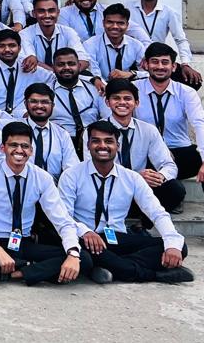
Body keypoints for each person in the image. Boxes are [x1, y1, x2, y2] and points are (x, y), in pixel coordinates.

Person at [58, 121, 193, 284]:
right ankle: (152, 275)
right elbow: (64, 217)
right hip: (86, 238)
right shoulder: (71, 175)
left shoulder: (131, 177)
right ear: (88, 145)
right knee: (83, 249)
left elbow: (157, 212)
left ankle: (109, 267)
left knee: (179, 246)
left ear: (118, 146)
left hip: (116, 237)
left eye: (109, 141)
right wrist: (85, 231)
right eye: (96, 141)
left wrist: (172, 244)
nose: (102, 146)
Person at [0, 120, 88, 286]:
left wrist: (72, 254)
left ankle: (13, 273)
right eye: (13, 145)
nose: (19, 150)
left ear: (31, 150)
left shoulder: (42, 177)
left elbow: (63, 221)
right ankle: (35, 269)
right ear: (2, 148)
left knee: (82, 258)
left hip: (23, 241)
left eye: (25, 146)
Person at [137, 43, 204, 255]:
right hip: (148, 155)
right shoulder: (135, 90)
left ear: (173, 67)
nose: (159, 66)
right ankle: (142, 226)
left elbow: (200, 125)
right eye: (154, 62)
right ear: (145, 65)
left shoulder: (186, 92)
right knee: (169, 187)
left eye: (165, 62)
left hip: (178, 152)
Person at [128, 0, 202, 88]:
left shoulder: (169, 12)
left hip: (158, 59)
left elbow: (180, 39)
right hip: (133, 59)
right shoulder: (127, 9)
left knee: (193, 81)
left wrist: (185, 64)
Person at [0, 29, 53, 119]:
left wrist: (37, 62)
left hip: (24, 118)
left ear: (19, 48)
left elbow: (55, 79)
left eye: (12, 45)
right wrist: (10, 119)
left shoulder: (29, 66)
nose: (7, 50)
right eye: (1, 46)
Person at [49, 48, 104, 154]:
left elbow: (107, 116)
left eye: (71, 64)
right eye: (61, 64)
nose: (66, 67)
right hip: (60, 144)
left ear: (79, 66)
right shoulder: (46, 91)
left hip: (93, 141)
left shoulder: (95, 88)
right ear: (53, 68)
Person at [83, 4, 148, 93]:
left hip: (129, 91)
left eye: (120, 23)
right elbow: (94, 73)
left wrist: (131, 74)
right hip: (101, 91)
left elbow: (148, 73)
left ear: (127, 25)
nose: (115, 26)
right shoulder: (90, 44)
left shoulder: (136, 45)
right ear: (103, 23)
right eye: (110, 22)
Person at [18, 0, 89, 74]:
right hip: (37, 77)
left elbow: (84, 60)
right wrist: (58, 73)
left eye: (51, 11)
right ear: (34, 13)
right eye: (41, 11)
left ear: (58, 12)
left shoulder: (68, 32)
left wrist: (66, 73)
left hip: (67, 77)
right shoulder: (24, 34)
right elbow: (30, 61)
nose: (47, 15)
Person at [22, 83, 80, 182]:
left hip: (53, 188)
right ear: (25, 104)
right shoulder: (14, 129)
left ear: (52, 105)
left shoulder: (62, 134)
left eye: (44, 102)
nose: (39, 106)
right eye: (34, 101)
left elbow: (72, 169)